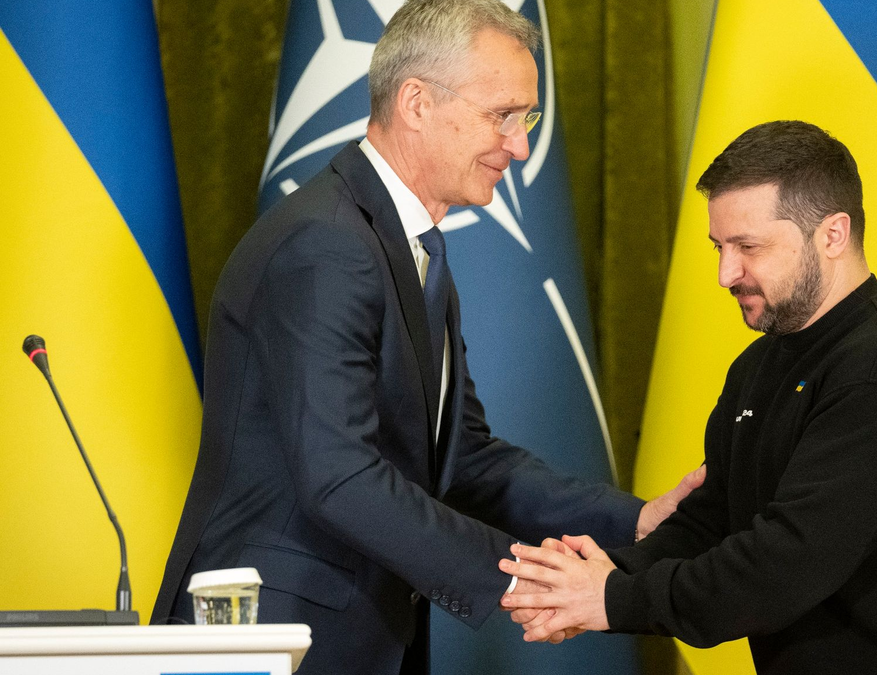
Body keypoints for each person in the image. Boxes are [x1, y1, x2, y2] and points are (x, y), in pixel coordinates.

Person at [151, 1, 700, 673]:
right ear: (416, 103)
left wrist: (636, 522)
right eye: (502, 115)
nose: (520, 147)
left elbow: (463, 461)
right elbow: (340, 476)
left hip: (358, 638)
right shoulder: (328, 244)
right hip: (275, 635)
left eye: (526, 119)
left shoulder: (410, 248)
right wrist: (522, 584)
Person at [501, 120, 877, 675]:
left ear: (833, 235)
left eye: (748, 247)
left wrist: (611, 597)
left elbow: (787, 562)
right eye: (719, 247)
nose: (726, 274)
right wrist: (595, 580)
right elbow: (711, 523)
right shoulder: (757, 366)